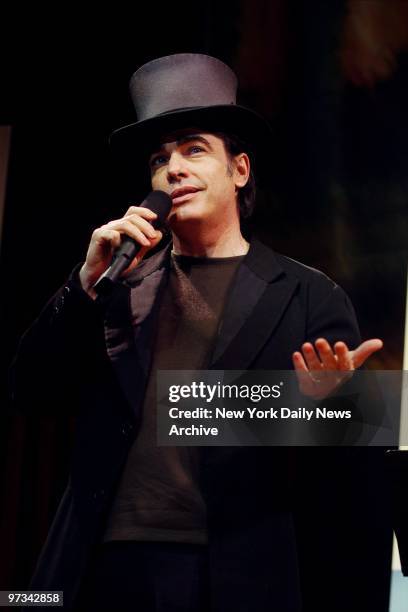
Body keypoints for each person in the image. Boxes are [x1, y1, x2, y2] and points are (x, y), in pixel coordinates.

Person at [13, 54, 392, 611]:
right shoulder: (116, 287)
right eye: (159, 159)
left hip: (232, 572)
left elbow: (349, 477)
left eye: (194, 149)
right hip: (103, 569)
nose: (173, 169)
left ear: (239, 170)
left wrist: (324, 411)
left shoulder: (307, 294)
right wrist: (83, 285)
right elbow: (30, 391)